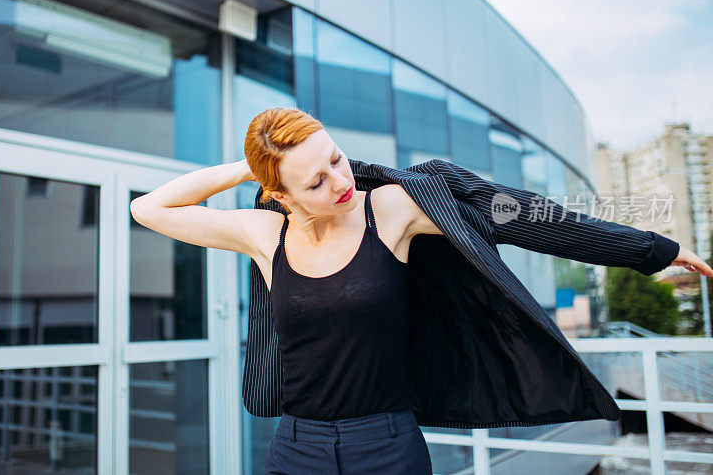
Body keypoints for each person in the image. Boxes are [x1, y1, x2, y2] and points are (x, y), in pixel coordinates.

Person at [130, 107, 712, 474]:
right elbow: (148, 207)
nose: (340, 181)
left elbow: (526, 216)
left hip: (386, 445)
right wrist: (247, 167)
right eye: (315, 179)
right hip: (295, 446)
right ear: (280, 195)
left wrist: (650, 250)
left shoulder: (392, 209)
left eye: (335, 158)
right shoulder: (263, 233)